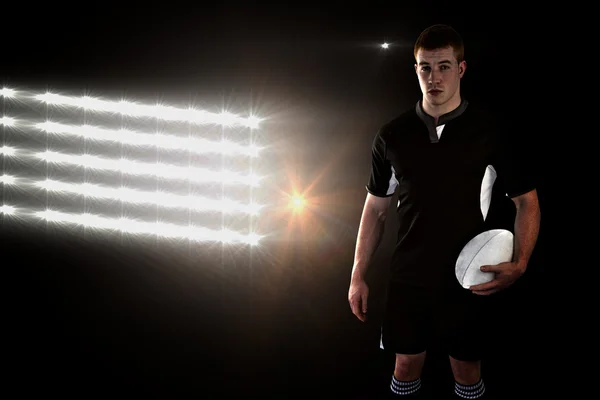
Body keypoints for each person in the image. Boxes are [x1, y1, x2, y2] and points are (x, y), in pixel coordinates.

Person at [347, 24, 541, 399]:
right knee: (405, 366)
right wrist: (357, 274)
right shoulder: (392, 135)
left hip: (469, 273)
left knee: (467, 370)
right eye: (425, 68)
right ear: (415, 69)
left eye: (444, 67)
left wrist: (521, 263)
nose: (434, 77)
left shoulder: (489, 131)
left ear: (461, 69)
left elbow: (526, 201)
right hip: (409, 274)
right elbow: (376, 209)